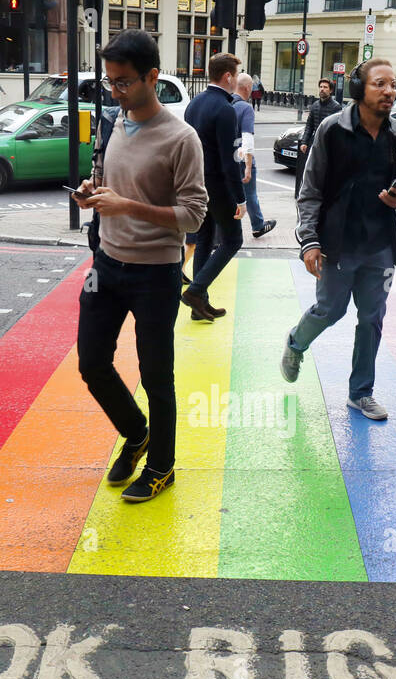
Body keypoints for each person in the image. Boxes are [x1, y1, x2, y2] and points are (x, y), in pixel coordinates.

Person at [71, 29, 207, 503]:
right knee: (91, 364)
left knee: (155, 375)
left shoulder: (181, 138)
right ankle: (135, 433)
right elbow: (104, 180)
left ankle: (162, 466)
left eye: (124, 82)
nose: (115, 91)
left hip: (156, 273)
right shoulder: (114, 123)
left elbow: (193, 214)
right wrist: (92, 194)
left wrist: (127, 206)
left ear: (153, 77)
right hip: (106, 264)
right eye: (110, 82)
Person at [283, 58, 396, 422]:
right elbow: (310, 192)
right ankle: (296, 342)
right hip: (336, 242)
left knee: (372, 317)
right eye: (380, 84)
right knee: (331, 310)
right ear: (358, 89)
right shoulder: (331, 130)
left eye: (393, 85)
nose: (389, 91)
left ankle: (360, 393)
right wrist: (309, 241)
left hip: (379, 243)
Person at [182, 52, 246, 322]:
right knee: (233, 240)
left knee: (204, 240)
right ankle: (196, 291)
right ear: (228, 76)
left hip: (196, 184)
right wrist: (240, 200)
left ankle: (200, 305)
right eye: (235, 76)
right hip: (217, 188)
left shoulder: (194, 104)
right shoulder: (225, 109)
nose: (236, 82)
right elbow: (229, 163)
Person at [234, 73, 278, 239]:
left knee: (229, 194)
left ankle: (220, 231)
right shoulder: (245, 108)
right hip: (240, 158)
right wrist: (248, 166)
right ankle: (258, 226)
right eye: (251, 87)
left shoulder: (226, 103)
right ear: (247, 88)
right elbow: (248, 139)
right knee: (250, 193)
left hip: (226, 159)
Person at [296, 78, 340, 201]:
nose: (322, 89)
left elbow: (338, 130)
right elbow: (309, 126)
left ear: (330, 90)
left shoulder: (336, 107)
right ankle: (310, 194)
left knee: (326, 172)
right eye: (321, 86)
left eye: (325, 87)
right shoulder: (315, 106)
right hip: (314, 144)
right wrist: (304, 142)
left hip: (328, 146)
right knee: (311, 170)